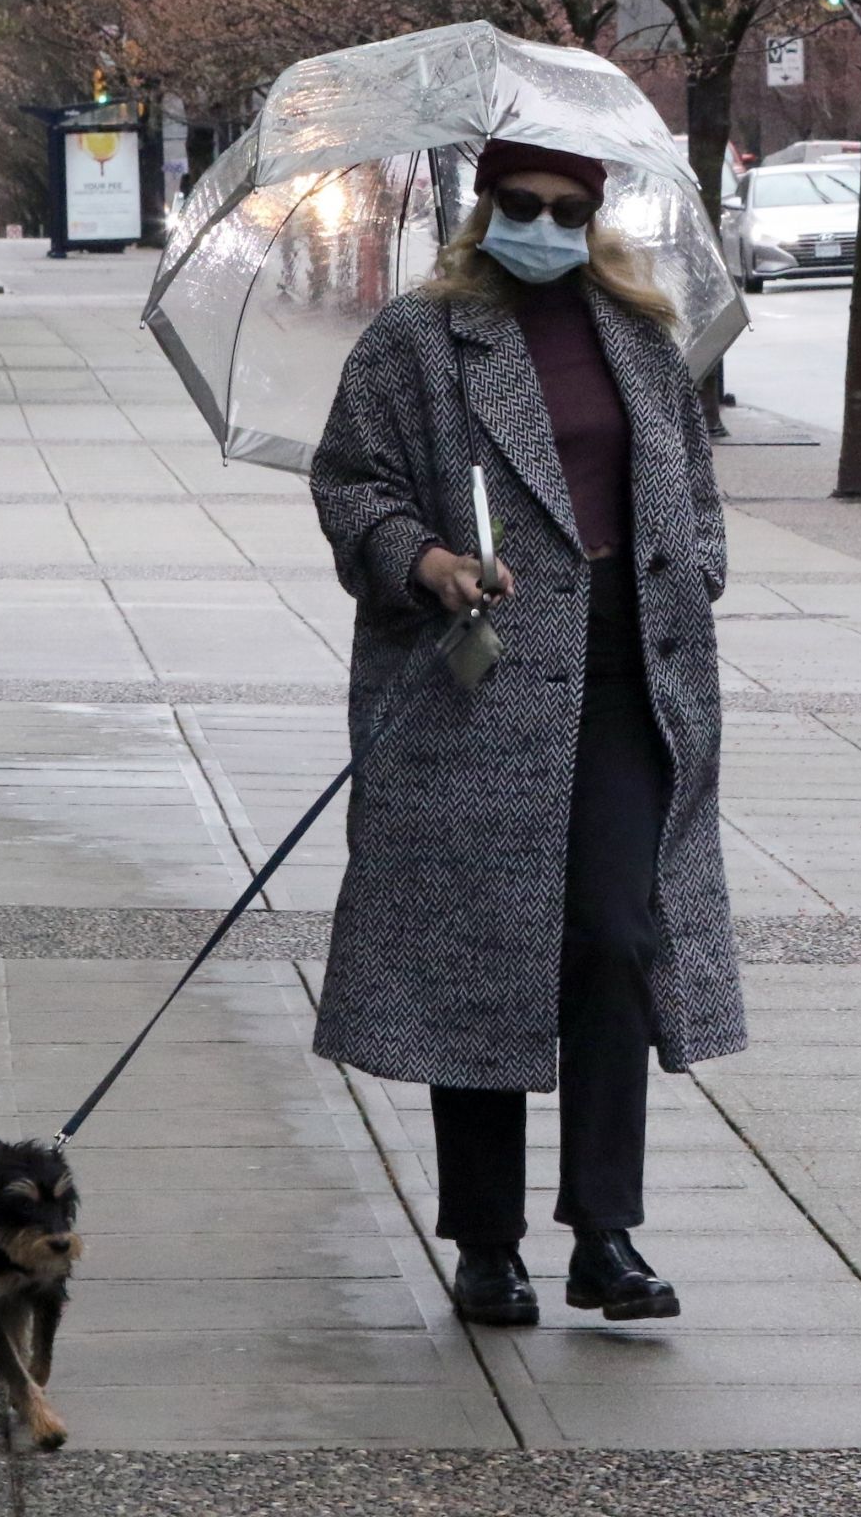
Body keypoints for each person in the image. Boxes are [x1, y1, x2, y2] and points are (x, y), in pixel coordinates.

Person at [309, 138, 745, 1327]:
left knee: (614, 936)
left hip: (623, 679)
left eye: (565, 210)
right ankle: (485, 1242)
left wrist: (692, 570)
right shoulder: (414, 341)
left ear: (594, 218)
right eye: (520, 205)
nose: (542, 226)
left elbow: (692, 492)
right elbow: (349, 486)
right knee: (482, 949)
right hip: (476, 687)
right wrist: (427, 559)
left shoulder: (638, 336)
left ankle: (603, 1234)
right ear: (482, 209)